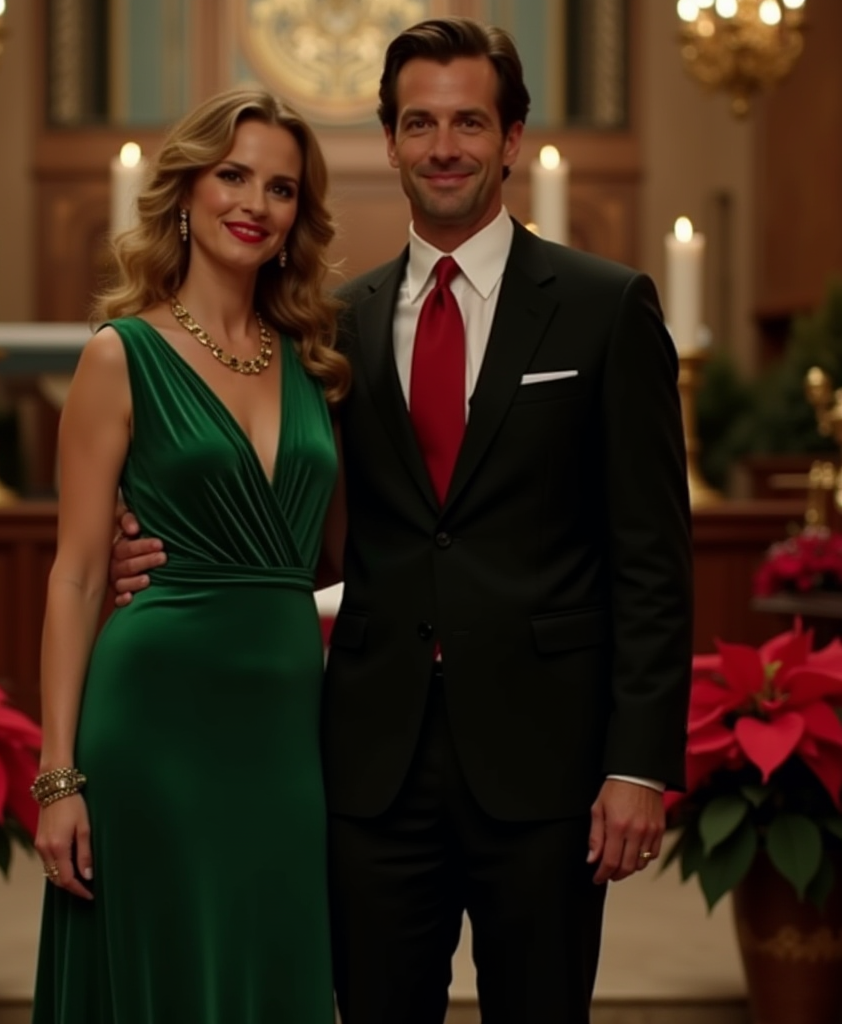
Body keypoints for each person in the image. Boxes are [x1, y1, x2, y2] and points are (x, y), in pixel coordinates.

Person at [111, 17, 693, 1024]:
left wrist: (636, 762)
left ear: (512, 138)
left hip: (545, 761)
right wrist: (150, 548)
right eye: (418, 122)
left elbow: (651, 556)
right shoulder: (327, 325)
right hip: (369, 766)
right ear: (387, 141)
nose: (443, 146)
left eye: (469, 121)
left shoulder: (606, 308)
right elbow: (283, 507)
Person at [30, 87, 350, 1024]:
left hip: (285, 735)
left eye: (281, 188)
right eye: (233, 175)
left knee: (271, 961)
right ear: (187, 190)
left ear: (298, 218)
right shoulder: (119, 356)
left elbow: (332, 561)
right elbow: (79, 572)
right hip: (155, 723)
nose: (254, 202)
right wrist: (59, 777)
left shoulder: (315, 365)